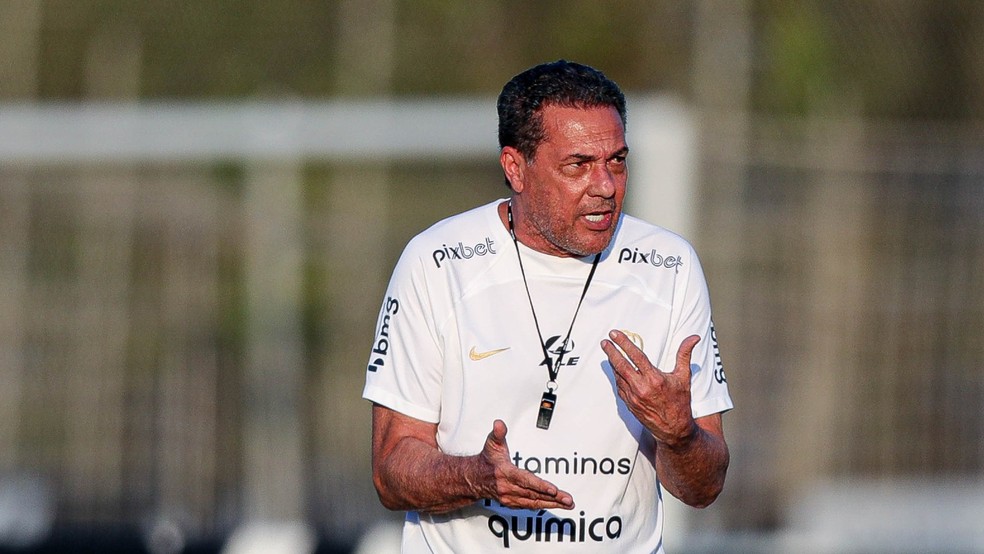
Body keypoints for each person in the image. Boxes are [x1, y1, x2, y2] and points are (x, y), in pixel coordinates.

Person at [363, 60, 732, 553]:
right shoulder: (437, 262)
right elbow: (391, 471)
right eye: (578, 165)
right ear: (515, 167)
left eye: (617, 161)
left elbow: (703, 489)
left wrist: (680, 435)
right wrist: (476, 477)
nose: (605, 185)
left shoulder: (669, 267)